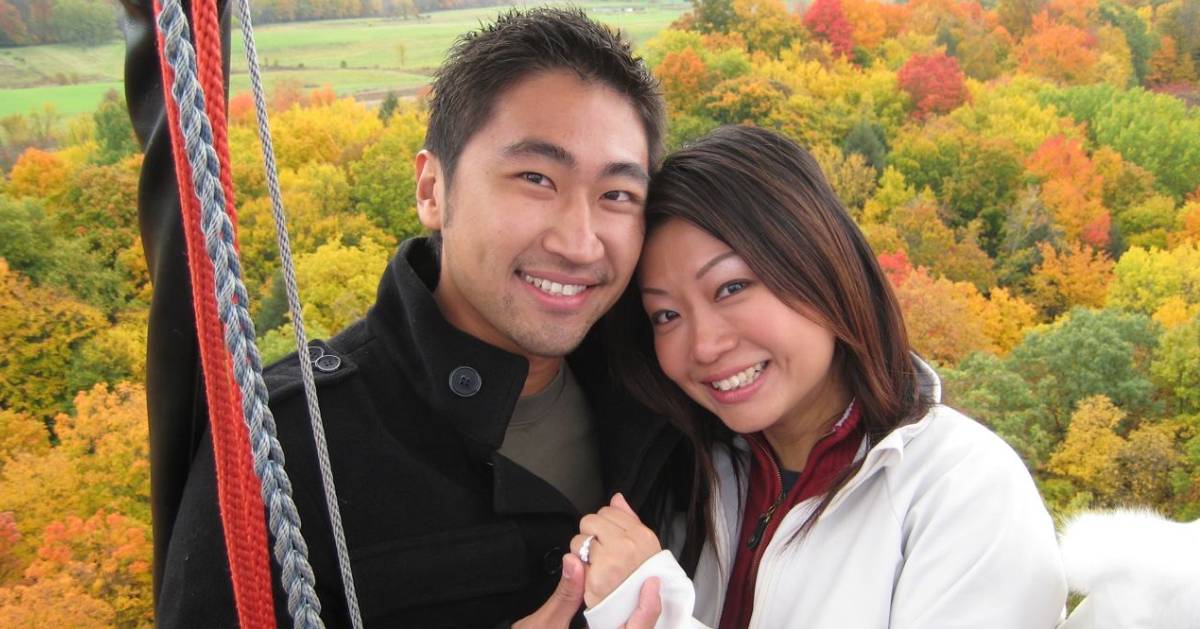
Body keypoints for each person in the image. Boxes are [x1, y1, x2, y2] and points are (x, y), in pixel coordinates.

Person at [121, 5, 687, 626]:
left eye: (617, 195)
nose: (580, 243)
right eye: (535, 177)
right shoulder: (288, 450)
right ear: (432, 190)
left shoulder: (670, 390)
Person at [571, 125, 1068, 628]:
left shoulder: (964, 490)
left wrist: (654, 612)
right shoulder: (697, 471)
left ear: (819, 265)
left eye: (731, 287)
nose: (703, 345)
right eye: (665, 316)